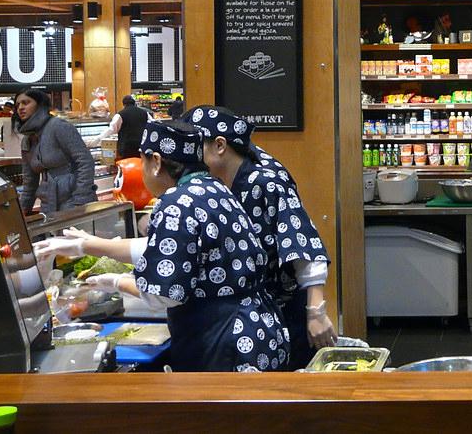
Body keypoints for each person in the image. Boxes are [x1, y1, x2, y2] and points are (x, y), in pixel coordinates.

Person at [34, 120, 290, 372]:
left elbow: (164, 294)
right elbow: (172, 250)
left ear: (156, 162)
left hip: (223, 341)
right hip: (258, 330)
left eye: (143, 161)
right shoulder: (214, 189)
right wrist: (87, 245)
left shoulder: (176, 203)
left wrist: (116, 282)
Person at [183, 105, 334, 369]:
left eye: (196, 148)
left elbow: (303, 244)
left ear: (220, 145)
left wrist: (316, 312)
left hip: (286, 310)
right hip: (247, 313)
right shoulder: (216, 180)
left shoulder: (266, 180)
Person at [14, 88, 97, 215]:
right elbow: (30, 181)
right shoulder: (27, 140)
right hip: (48, 204)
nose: (20, 108)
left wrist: (80, 199)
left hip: (73, 201)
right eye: (17, 105)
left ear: (39, 104)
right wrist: (22, 212)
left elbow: (85, 161)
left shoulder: (59, 126)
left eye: (26, 103)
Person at [97, 95, 150, 159]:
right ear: (134, 103)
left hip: (126, 149)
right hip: (141, 148)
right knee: (139, 166)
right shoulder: (145, 113)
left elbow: (111, 130)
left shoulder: (120, 114)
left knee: (128, 166)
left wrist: (98, 139)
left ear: (124, 104)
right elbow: (152, 124)